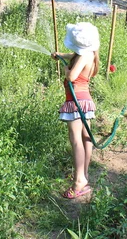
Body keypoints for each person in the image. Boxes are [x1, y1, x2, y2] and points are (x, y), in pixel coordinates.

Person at [52, 22, 100, 199]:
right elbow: (74, 54)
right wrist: (60, 55)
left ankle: (79, 180)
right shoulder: (90, 54)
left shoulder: (83, 56)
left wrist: (66, 68)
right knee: (86, 138)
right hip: (85, 101)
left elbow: (72, 76)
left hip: (76, 103)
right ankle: (84, 174)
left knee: (75, 140)